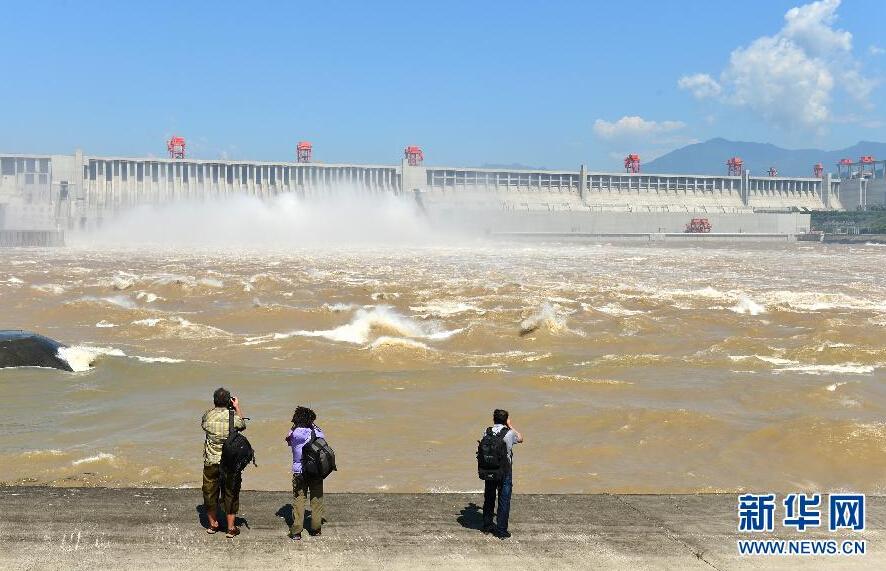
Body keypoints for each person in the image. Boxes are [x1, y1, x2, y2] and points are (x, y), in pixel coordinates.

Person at [201, 387, 246, 538]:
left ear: (214, 401)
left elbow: (204, 426)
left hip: (211, 461)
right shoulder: (233, 417)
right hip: (230, 462)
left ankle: (213, 525)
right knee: (230, 493)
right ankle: (231, 528)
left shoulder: (207, 416)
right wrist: (237, 407)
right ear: (229, 401)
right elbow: (243, 425)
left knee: (210, 492)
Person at [285, 406, 325, 540]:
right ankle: (316, 529)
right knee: (316, 499)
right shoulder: (317, 431)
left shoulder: (294, 433)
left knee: (299, 500)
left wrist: (294, 426)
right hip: (315, 471)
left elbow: (288, 440)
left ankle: (296, 532)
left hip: (299, 471)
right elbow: (322, 441)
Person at [482, 409, 523, 539]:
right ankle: (501, 530)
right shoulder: (509, 433)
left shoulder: (487, 431)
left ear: (493, 419)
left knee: (489, 497)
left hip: (489, 469)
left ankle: (487, 525)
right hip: (504, 470)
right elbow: (521, 438)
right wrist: (510, 425)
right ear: (506, 420)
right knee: (504, 499)